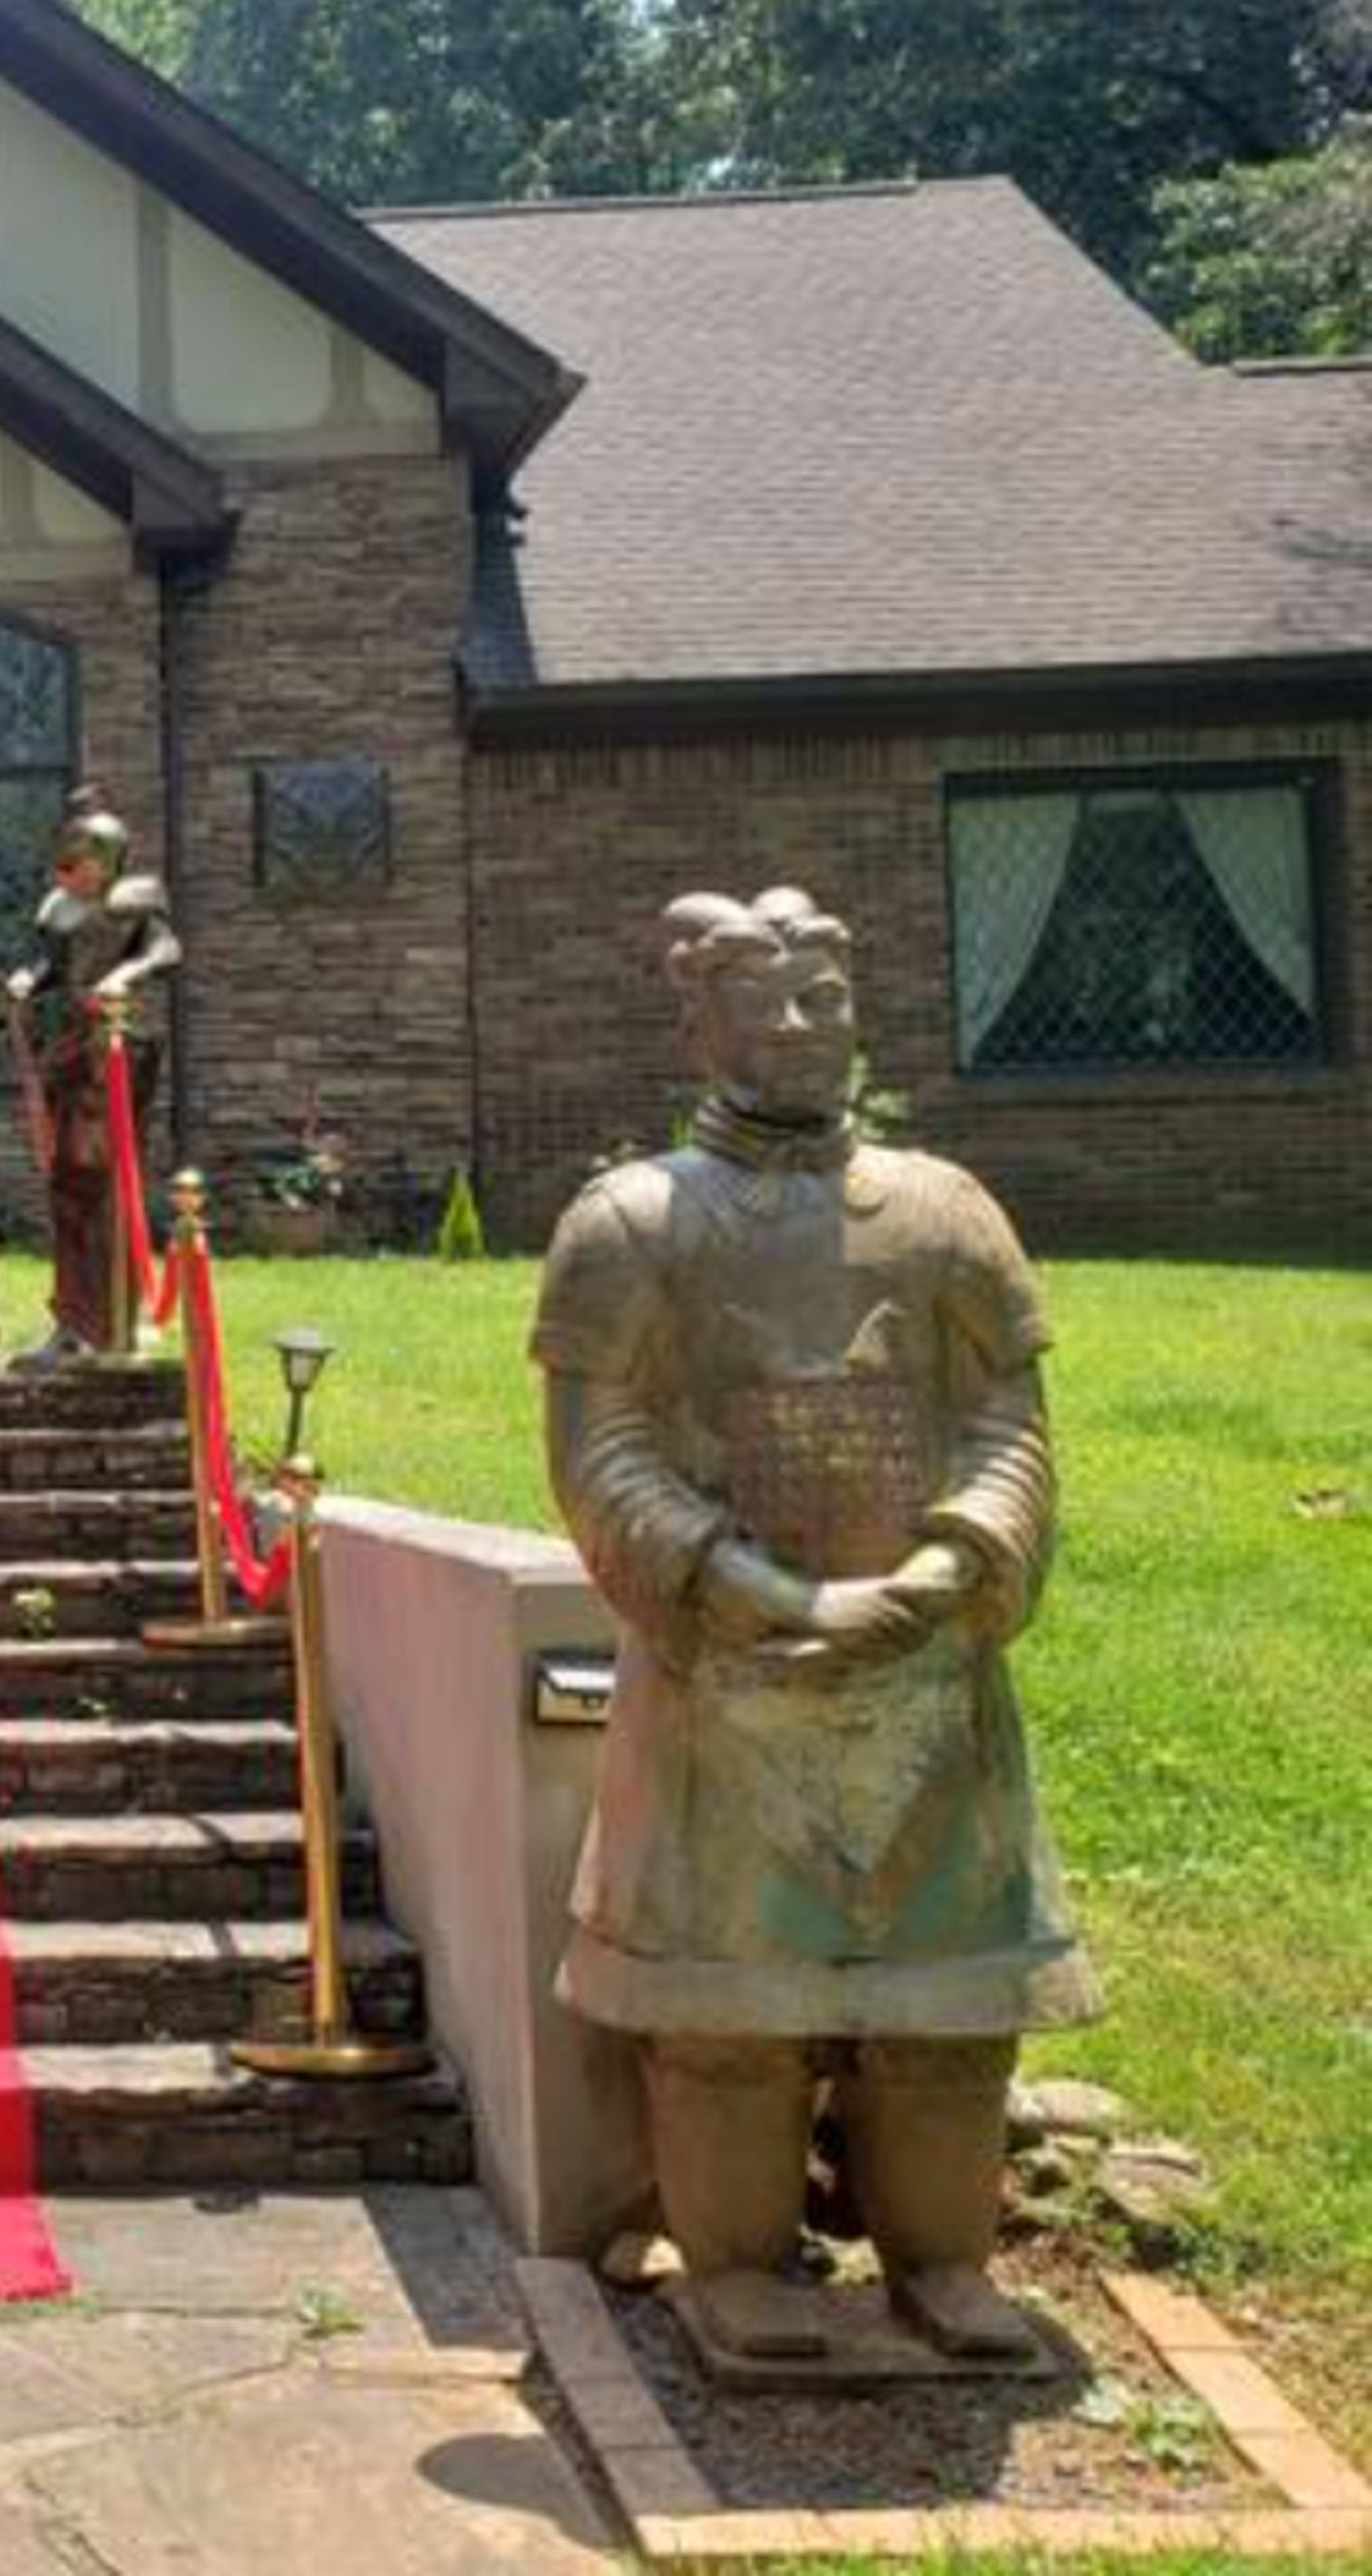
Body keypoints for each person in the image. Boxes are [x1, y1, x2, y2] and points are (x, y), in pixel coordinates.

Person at [534, 887, 1098, 2374]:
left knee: (948, 2014)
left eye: (824, 1000)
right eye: (764, 1002)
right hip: (727, 1673)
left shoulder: (945, 1211)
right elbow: (602, 1450)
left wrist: (947, 1567)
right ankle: (737, 2263)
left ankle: (943, 2260)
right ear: (696, 1020)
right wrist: (739, 1584)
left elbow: (1006, 1423)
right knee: (727, 2012)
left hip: (927, 1674)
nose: (798, 1028)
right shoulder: (627, 1224)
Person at [2, 786, 181, 1367]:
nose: (66, 880)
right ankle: (72, 1320)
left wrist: (125, 976)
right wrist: (28, 980)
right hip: (74, 1046)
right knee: (67, 1179)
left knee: (106, 1177)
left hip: (122, 1048)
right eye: (61, 869)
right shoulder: (58, 908)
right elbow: (50, 964)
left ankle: (117, 1319)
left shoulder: (138, 898)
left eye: (75, 868)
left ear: (105, 864)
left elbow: (166, 950)